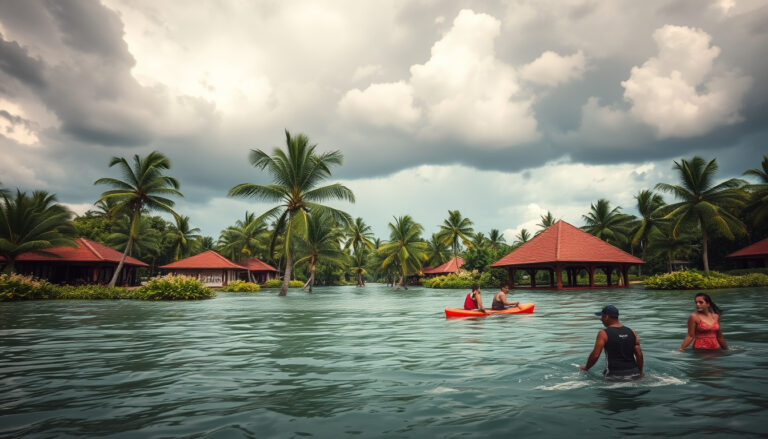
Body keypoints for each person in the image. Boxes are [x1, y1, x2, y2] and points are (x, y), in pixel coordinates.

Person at [579, 305, 643, 379]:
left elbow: (595, 355)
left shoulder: (603, 333)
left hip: (614, 375)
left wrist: (586, 367)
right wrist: (640, 372)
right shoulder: (632, 332)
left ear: (606, 317)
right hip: (634, 373)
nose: (601, 319)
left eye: (602, 317)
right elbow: (639, 354)